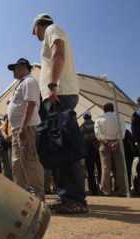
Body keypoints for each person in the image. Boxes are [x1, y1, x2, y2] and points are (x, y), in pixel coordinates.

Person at [33, 14, 87, 212]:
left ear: (38, 25)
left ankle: (76, 199)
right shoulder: (52, 30)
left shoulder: (51, 29)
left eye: (34, 29)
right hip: (58, 95)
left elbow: (58, 52)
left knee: (64, 147)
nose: (34, 34)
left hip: (59, 94)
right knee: (59, 147)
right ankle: (67, 196)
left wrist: (53, 84)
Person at [7, 58, 44, 200]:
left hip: (27, 127)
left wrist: (23, 127)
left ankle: (38, 196)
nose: (13, 71)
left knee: (30, 161)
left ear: (23, 66)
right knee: (18, 164)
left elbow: (31, 103)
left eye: (15, 68)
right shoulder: (22, 83)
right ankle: (20, 197)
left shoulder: (29, 81)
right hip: (18, 129)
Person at [94, 103, 126, 195]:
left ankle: (106, 191)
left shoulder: (99, 119)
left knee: (105, 168)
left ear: (104, 110)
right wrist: (116, 142)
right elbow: (122, 132)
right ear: (113, 109)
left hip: (104, 144)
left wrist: (107, 142)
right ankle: (122, 190)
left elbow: (97, 133)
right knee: (120, 167)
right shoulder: (120, 117)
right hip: (117, 143)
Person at [80, 111, 101, 195]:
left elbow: (80, 140)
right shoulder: (96, 125)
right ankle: (101, 187)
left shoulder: (81, 127)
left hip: (87, 149)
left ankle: (93, 189)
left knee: (90, 170)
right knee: (100, 168)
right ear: (91, 116)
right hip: (97, 147)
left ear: (84, 117)